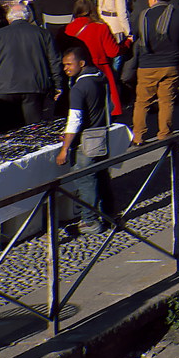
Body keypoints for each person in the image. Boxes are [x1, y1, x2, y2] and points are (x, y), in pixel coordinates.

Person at [54, 43, 113, 236]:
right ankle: (108, 214)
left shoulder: (79, 88)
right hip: (102, 135)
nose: (66, 69)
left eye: (69, 65)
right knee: (101, 176)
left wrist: (65, 148)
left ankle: (89, 221)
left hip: (87, 141)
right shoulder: (100, 77)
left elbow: (75, 120)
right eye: (64, 65)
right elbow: (110, 106)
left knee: (85, 179)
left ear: (81, 63)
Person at [127, 0, 179, 146]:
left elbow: (136, 34)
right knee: (166, 101)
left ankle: (138, 136)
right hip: (170, 63)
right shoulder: (178, 14)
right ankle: (164, 133)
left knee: (142, 103)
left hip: (147, 64)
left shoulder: (144, 16)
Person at [0, 5, 58, 130]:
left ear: (8, 18)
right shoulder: (43, 34)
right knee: (33, 130)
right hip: (34, 87)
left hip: (4, 88)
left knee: (8, 130)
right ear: (28, 17)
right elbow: (54, 61)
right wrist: (58, 84)